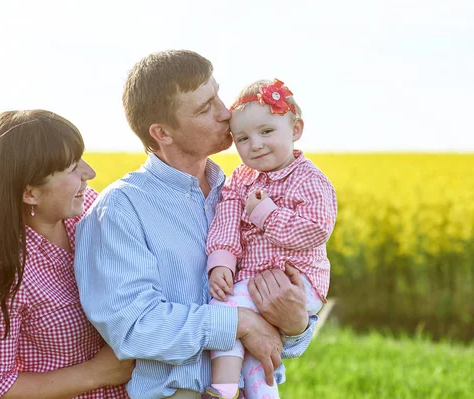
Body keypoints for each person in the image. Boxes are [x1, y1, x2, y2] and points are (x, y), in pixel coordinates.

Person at [74, 50, 318, 399]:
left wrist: (295, 326)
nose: (225, 113)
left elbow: (280, 318)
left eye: (219, 95)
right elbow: (133, 327)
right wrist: (237, 323)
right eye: (205, 108)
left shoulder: (245, 194)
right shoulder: (120, 209)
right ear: (162, 133)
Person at [0, 110, 133, 399]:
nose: (90, 173)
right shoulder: (1, 269)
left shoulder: (89, 211)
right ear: (30, 192)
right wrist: (96, 373)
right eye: (71, 167)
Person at [205, 79, 337, 399]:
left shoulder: (311, 179)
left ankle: (221, 390)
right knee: (252, 347)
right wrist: (221, 260)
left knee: (227, 311)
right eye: (243, 138)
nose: (255, 145)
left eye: (266, 131)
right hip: (254, 278)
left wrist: (265, 214)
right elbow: (226, 220)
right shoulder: (241, 178)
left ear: (295, 129)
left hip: (297, 281)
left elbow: (316, 230)